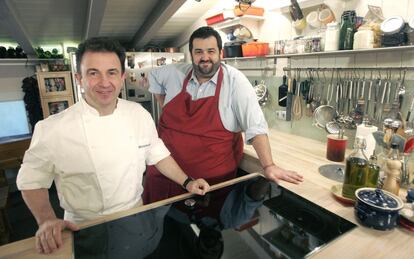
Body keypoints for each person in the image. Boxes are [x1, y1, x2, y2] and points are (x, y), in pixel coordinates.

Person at [16, 37, 210, 255]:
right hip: (83, 228)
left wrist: (187, 182)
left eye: (111, 72)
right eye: (93, 73)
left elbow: (157, 153)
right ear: (79, 78)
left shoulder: (138, 114)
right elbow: (31, 181)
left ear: (122, 77)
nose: (104, 82)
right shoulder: (52, 128)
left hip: (135, 216)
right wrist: (47, 220)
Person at [143, 26, 303, 204]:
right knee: (158, 229)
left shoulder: (235, 82)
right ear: (191, 54)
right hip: (163, 176)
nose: (205, 57)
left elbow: (255, 126)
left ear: (220, 53)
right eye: (198, 52)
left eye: (211, 51)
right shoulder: (174, 73)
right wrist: (164, 106)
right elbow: (153, 77)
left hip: (209, 187)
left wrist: (269, 165)